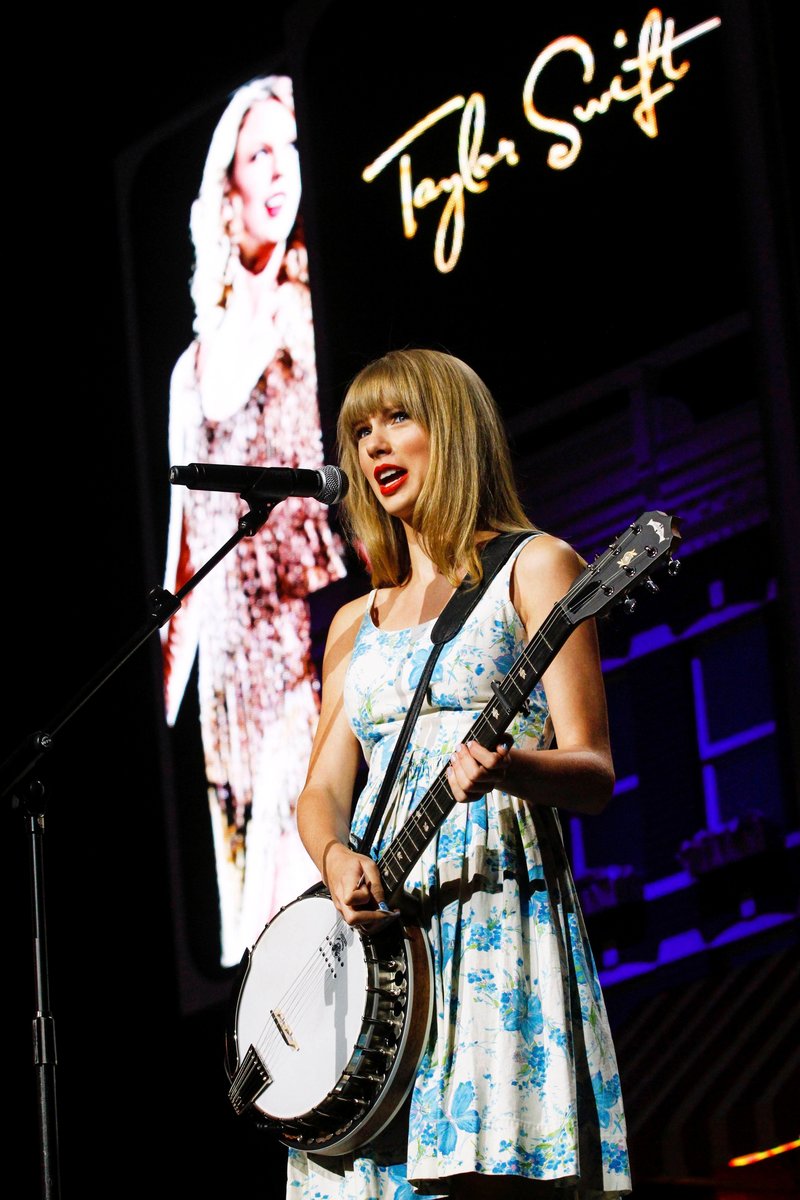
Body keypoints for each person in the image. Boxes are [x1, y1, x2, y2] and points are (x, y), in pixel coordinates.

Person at [286, 348, 631, 1197]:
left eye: (399, 419)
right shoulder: (350, 624)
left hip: (491, 909)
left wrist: (512, 768)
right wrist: (336, 860)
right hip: (379, 935)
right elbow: (323, 788)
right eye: (360, 430)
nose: (375, 445)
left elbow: (594, 770)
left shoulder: (537, 565)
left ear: (457, 430)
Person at [161, 75, 347, 969]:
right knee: (258, 940)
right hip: (227, 682)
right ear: (226, 188)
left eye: (292, 150)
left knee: (315, 897)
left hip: (310, 654)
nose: (279, 171)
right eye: (258, 153)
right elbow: (183, 559)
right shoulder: (188, 374)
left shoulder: (314, 314)